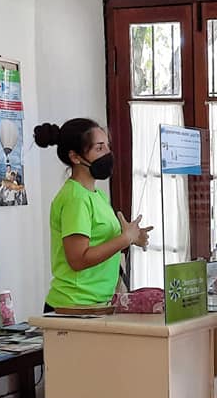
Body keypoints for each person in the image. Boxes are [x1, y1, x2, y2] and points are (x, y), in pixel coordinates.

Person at [35, 118, 151, 312]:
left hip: (97, 304)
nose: (108, 153)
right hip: (73, 306)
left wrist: (133, 237)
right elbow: (78, 259)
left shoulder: (97, 195)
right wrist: (124, 239)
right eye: (99, 148)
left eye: (107, 146)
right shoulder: (75, 199)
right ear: (75, 157)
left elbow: (101, 242)